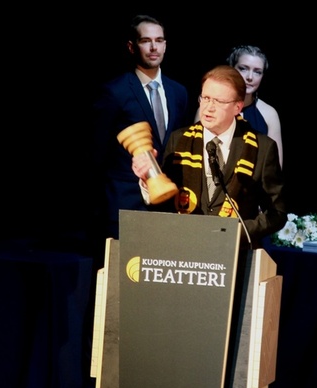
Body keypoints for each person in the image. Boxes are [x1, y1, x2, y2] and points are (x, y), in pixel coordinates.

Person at [131, 65, 286, 249]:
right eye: (205, 98)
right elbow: (164, 207)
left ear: (237, 107)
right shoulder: (179, 140)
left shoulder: (262, 148)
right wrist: (148, 180)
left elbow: (276, 213)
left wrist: (237, 233)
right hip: (184, 249)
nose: (208, 108)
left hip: (234, 252)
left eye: (218, 101)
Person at [92, 14, 190, 241]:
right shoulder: (115, 92)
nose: (154, 47)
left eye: (159, 40)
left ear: (165, 45)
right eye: (146, 41)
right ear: (132, 46)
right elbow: (97, 155)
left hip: (168, 204)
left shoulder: (179, 92)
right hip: (124, 205)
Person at [195, 45, 283, 167]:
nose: (250, 77)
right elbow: (197, 153)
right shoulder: (207, 108)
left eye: (257, 72)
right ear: (231, 68)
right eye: (243, 69)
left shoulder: (269, 114)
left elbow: (275, 165)